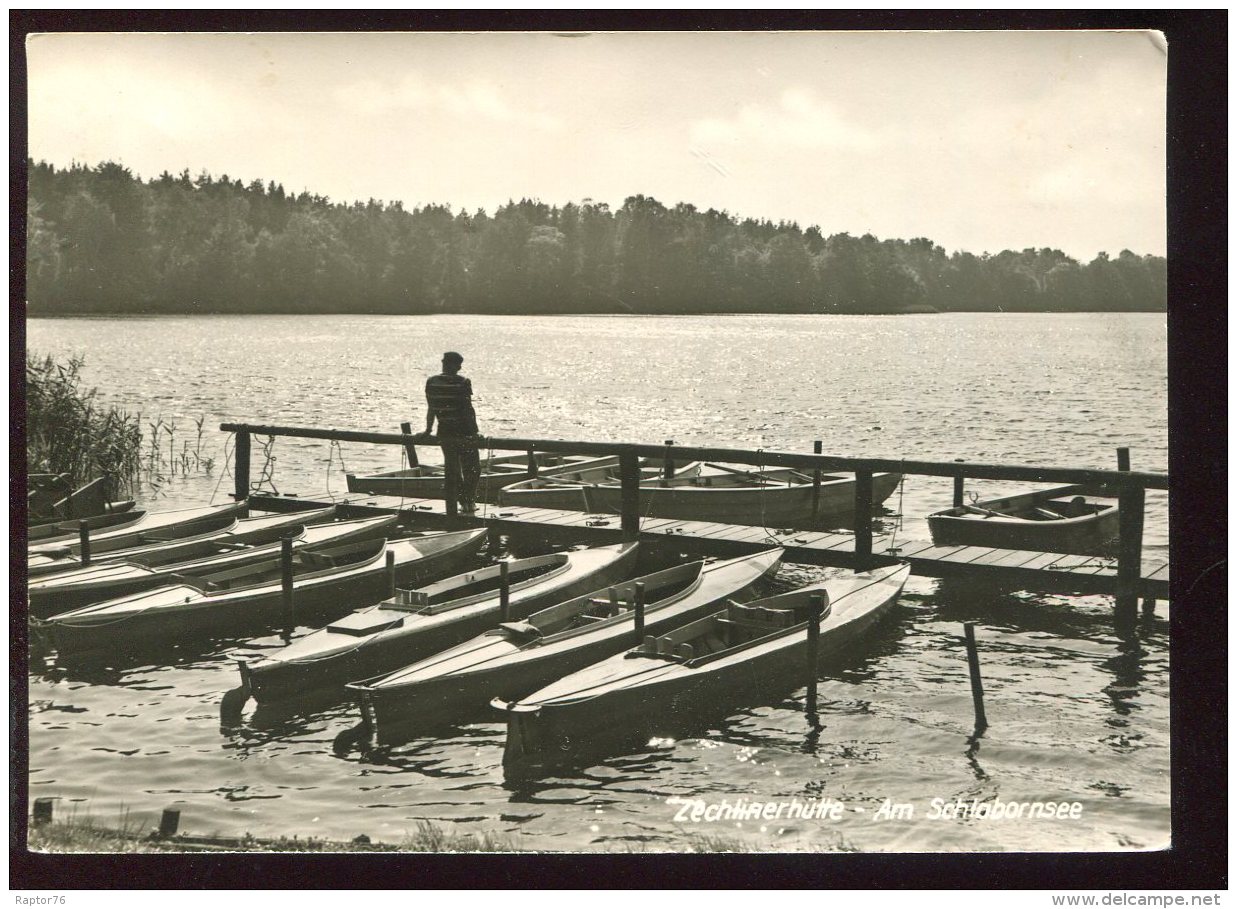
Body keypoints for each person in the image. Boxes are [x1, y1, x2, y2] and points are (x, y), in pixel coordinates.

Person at [425, 351, 481, 513]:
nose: (460, 367)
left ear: (443, 363)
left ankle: (462, 501)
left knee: (453, 468)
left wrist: (428, 429)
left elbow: (432, 409)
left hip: (444, 431)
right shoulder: (463, 382)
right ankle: (469, 501)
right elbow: (468, 410)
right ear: (456, 365)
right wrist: (475, 433)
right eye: (459, 364)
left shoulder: (432, 382)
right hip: (463, 431)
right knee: (473, 468)